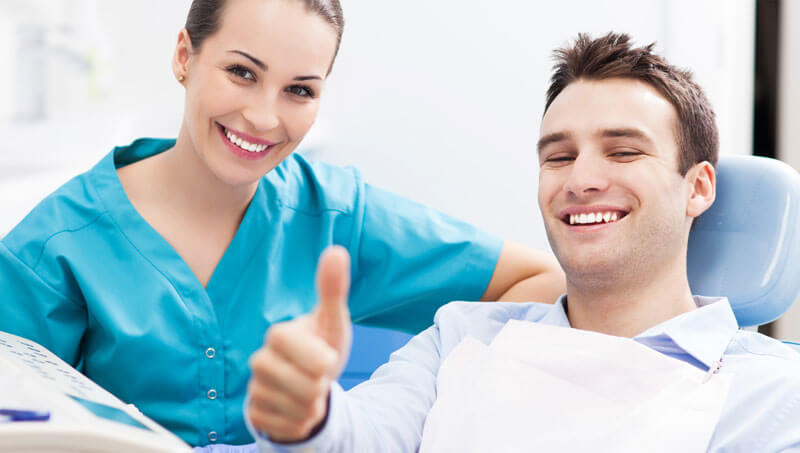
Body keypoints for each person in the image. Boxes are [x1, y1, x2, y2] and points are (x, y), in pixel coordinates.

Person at [0, 0, 565, 447]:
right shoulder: (53, 247)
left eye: (299, 90)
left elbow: (540, 282)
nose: (264, 117)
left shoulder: (336, 215)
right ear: (184, 56)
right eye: (241, 72)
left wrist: (405, 400)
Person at [242, 32, 800, 452]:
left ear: (698, 188)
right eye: (559, 157)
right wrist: (308, 418)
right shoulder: (459, 337)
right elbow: (363, 434)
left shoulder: (774, 396)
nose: (581, 179)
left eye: (624, 152)